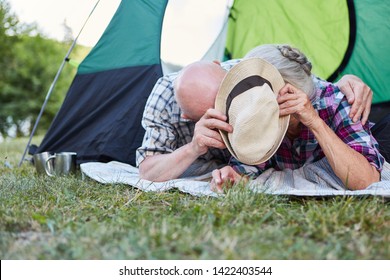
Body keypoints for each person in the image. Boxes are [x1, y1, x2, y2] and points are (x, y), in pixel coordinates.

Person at [136, 52, 373, 182]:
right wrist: (194, 148)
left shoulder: (249, 74)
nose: (233, 113)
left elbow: (304, 83)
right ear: (190, 116)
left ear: (222, 67)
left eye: (228, 95)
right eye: (218, 113)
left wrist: (344, 84)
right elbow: (147, 172)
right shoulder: (166, 101)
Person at [211, 44, 384, 192]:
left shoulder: (336, 101)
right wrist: (231, 176)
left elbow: (367, 181)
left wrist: (314, 121)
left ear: (288, 92)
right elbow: (245, 170)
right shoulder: (254, 111)